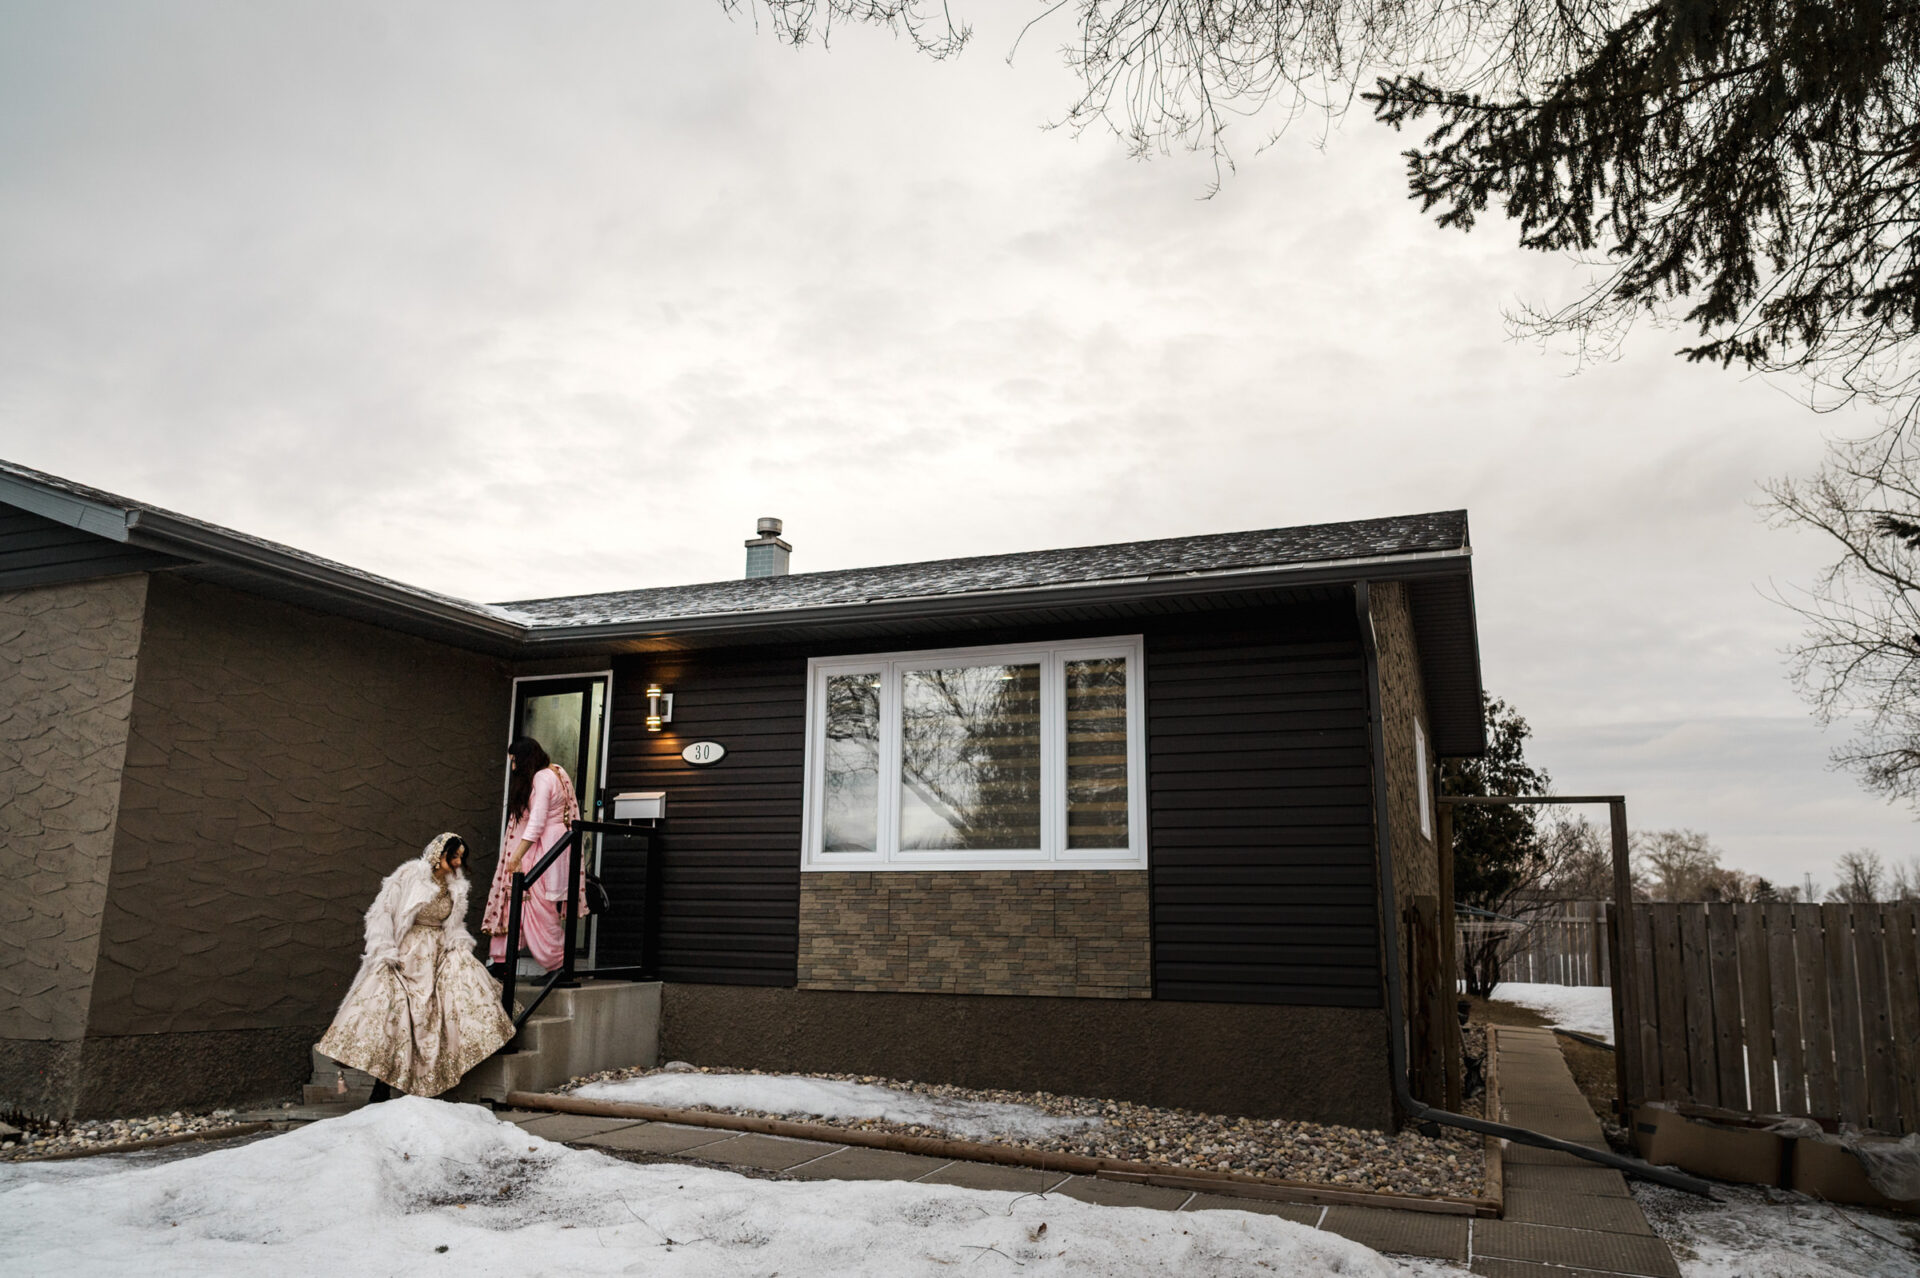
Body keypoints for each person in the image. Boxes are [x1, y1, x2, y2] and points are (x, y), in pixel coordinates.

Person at [317, 833, 514, 1099]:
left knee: (459, 983)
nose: (457, 862)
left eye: (461, 857)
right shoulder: (409, 875)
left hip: (440, 950)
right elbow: (381, 913)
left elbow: (453, 926)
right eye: (453, 856)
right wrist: (385, 951)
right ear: (437, 854)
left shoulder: (456, 885)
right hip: (406, 951)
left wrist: (456, 944)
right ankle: (381, 1085)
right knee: (394, 1005)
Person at [482, 736, 583, 972]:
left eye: (515, 761)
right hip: (556, 846)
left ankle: (558, 964)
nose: (514, 767)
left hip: (546, 849)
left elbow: (537, 822)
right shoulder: (557, 771)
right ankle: (504, 960)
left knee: (539, 907)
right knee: (528, 903)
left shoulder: (542, 777)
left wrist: (516, 856)